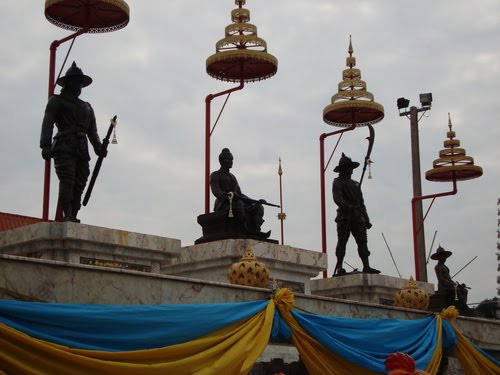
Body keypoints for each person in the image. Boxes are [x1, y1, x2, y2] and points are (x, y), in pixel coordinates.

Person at [40, 62, 106, 223]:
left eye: (81, 83)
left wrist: (98, 147)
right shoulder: (57, 101)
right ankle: (67, 213)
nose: (79, 86)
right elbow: (48, 121)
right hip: (64, 144)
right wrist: (45, 144)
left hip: (82, 147)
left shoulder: (87, 107)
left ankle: (74, 213)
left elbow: (93, 132)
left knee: (80, 181)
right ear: (69, 82)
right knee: (67, 179)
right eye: (77, 81)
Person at [332, 153, 380, 275]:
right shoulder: (337, 182)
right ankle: (339, 266)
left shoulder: (356, 184)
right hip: (344, 216)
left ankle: (366, 265)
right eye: (348, 167)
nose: (351, 170)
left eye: (351, 167)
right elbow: (338, 199)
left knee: (362, 242)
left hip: (358, 216)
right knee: (342, 241)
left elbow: (362, 203)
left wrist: (367, 219)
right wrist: (349, 207)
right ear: (343, 169)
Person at [210, 148, 270, 238]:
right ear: (221, 160)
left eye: (232, 159)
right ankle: (243, 229)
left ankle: (256, 230)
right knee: (238, 203)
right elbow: (216, 191)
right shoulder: (215, 175)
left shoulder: (232, 176)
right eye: (229, 159)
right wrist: (228, 196)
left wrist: (255, 201)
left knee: (258, 207)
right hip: (223, 203)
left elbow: (240, 194)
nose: (231, 161)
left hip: (237, 200)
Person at [431, 245, 470, 311]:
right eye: (442, 256)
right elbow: (441, 279)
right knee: (456, 290)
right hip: (443, 286)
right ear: (438, 257)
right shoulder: (437, 267)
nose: (444, 258)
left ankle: (463, 306)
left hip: (449, 284)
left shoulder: (444, 266)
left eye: (444, 256)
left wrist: (456, 283)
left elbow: (449, 279)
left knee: (464, 290)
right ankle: (464, 306)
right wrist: (451, 284)